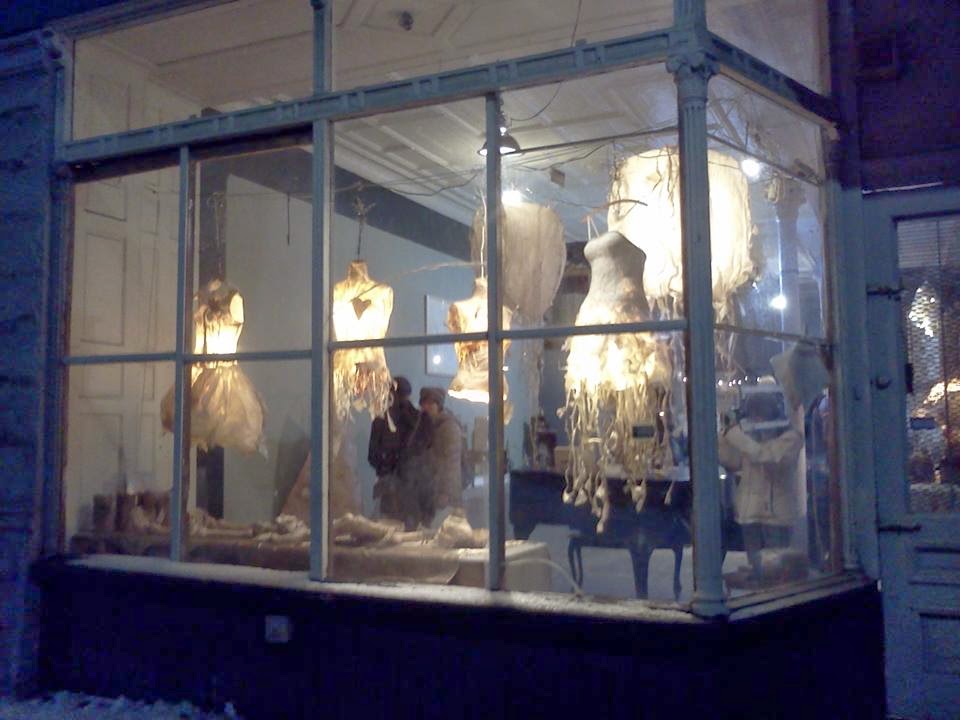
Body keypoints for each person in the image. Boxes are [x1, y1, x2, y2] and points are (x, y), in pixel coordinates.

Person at [718, 391, 804, 581]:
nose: (757, 415)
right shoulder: (750, 437)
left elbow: (766, 456)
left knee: (777, 572)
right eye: (753, 411)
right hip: (750, 513)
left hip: (776, 517)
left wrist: (736, 436)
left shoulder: (791, 437)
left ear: (773, 410)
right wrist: (725, 435)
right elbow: (732, 461)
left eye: (761, 409)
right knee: (758, 573)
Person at [397, 387, 464, 529]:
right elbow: (413, 454)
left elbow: (452, 463)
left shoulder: (449, 427)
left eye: (431, 403)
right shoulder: (422, 425)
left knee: (442, 532)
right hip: (425, 491)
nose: (426, 407)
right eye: (423, 403)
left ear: (438, 405)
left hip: (442, 493)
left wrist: (446, 493)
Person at [368, 376, 418, 521]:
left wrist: (385, 469)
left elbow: (373, 455)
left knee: (390, 521)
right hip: (408, 482)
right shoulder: (417, 418)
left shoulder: (383, 418)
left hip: (398, 481)